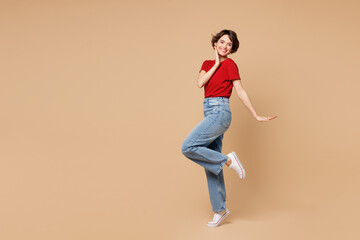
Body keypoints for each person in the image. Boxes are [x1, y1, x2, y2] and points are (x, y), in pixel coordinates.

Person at [181, 29, 277, 227]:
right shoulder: (207, 64)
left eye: (229, 45)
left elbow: (240, 91)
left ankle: (228, 160)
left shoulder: (231, 64)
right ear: (215, 43)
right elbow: (200, 83)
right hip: (209, 111)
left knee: (188, 147)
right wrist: (216, 64)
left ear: (232, 49)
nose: (224, 46)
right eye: (222, 42)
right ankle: (220, 210)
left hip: (220, 112)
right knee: (210, 165)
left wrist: (255, 115)